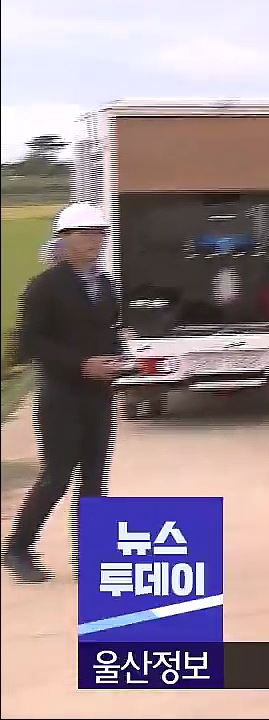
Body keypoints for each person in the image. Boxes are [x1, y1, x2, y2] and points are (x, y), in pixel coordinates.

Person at [4, 202, 127, 584]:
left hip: (99, 395)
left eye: (100, 234)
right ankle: (18, 548)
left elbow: (109, 331)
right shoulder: (45, 287)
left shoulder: (105, 285)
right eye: (85, 234)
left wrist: (121, 358)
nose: (95, 241)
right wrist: (81, 364)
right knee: (57, 477)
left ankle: (89, 555)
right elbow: (30, 342)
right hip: (61, 396)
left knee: (94, 479)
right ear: (64, 239)